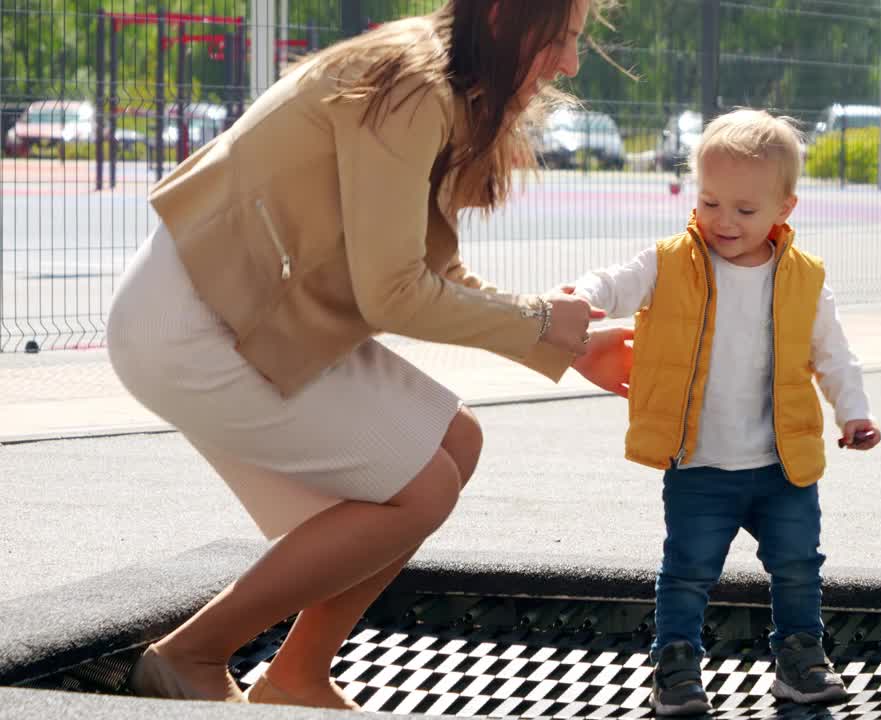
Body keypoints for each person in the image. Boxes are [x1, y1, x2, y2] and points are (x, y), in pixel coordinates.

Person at [105, 0, 628, 709]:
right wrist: (540, 324)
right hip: (196, 321)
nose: (569, 63)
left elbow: (424, 268)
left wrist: (568, 342)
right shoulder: (413, 85)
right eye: (561, 40)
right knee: (425, 485)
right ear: (505, 16)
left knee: (456, 440)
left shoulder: (442, 81)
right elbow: (393, 293)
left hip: (251, 310)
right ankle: (190, 656)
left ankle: (296, 677)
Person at [567, 108, 881, 715]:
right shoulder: (671, 262)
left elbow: (835, 356)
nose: (723, 221)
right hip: (699, 463)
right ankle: (676, 664)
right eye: (710, 202)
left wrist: (853, 414)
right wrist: (582, 298)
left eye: (744, 209)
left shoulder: (805, 280)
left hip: (781, 466)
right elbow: (613, 283)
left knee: (797, 566)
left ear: (784, 209)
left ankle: (799, 658)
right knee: (687, 571)